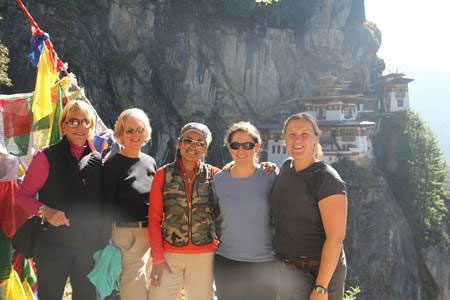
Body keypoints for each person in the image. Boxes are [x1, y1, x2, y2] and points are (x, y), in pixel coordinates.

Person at [15, 100, 106, 300]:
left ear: (92, 126)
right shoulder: (46, 157)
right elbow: (22, 197)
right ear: (63, 126)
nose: (80, 127)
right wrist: (46, 212)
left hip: (87, 247)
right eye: (73, 122)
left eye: (86, 122)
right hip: (52, 244)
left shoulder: (98, 160)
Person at [270, 113, 348, 300]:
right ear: (284, 138)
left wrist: (321, 287)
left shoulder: (326, 179)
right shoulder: (286, 168)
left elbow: (336, 238)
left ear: (316, 137)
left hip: (317, 272)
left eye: (304, 133)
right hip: (288, 271)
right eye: (291, 134)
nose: (297, 140)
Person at [148, 122, 219, 300]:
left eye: (200, 143)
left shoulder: (215, 176)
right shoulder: (162, 175)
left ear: (206, 149)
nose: (193, 147)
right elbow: (154, 219)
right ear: (179, 143)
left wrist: (264, 165)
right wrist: (157, 258)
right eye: (188, 140)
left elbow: (238, 174)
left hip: (204, 255)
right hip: (169, 255)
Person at [212, 121, 277, 300]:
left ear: (257, 147)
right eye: (235, 145)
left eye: (247, 145)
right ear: (229, 147)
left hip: (264, 264)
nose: (241, 150)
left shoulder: (271, 176)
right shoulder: (218, 181)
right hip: (227, 263)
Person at [102, 108, 157, 299]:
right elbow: (106, 205)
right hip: (127, 235)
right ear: (120, 134)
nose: (135, 135)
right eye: (129, 130)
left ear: (146, 132)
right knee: (133, 289)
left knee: (150, 285)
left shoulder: (150, 162)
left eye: (140, 129)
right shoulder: (112, 165)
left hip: (150, 235)